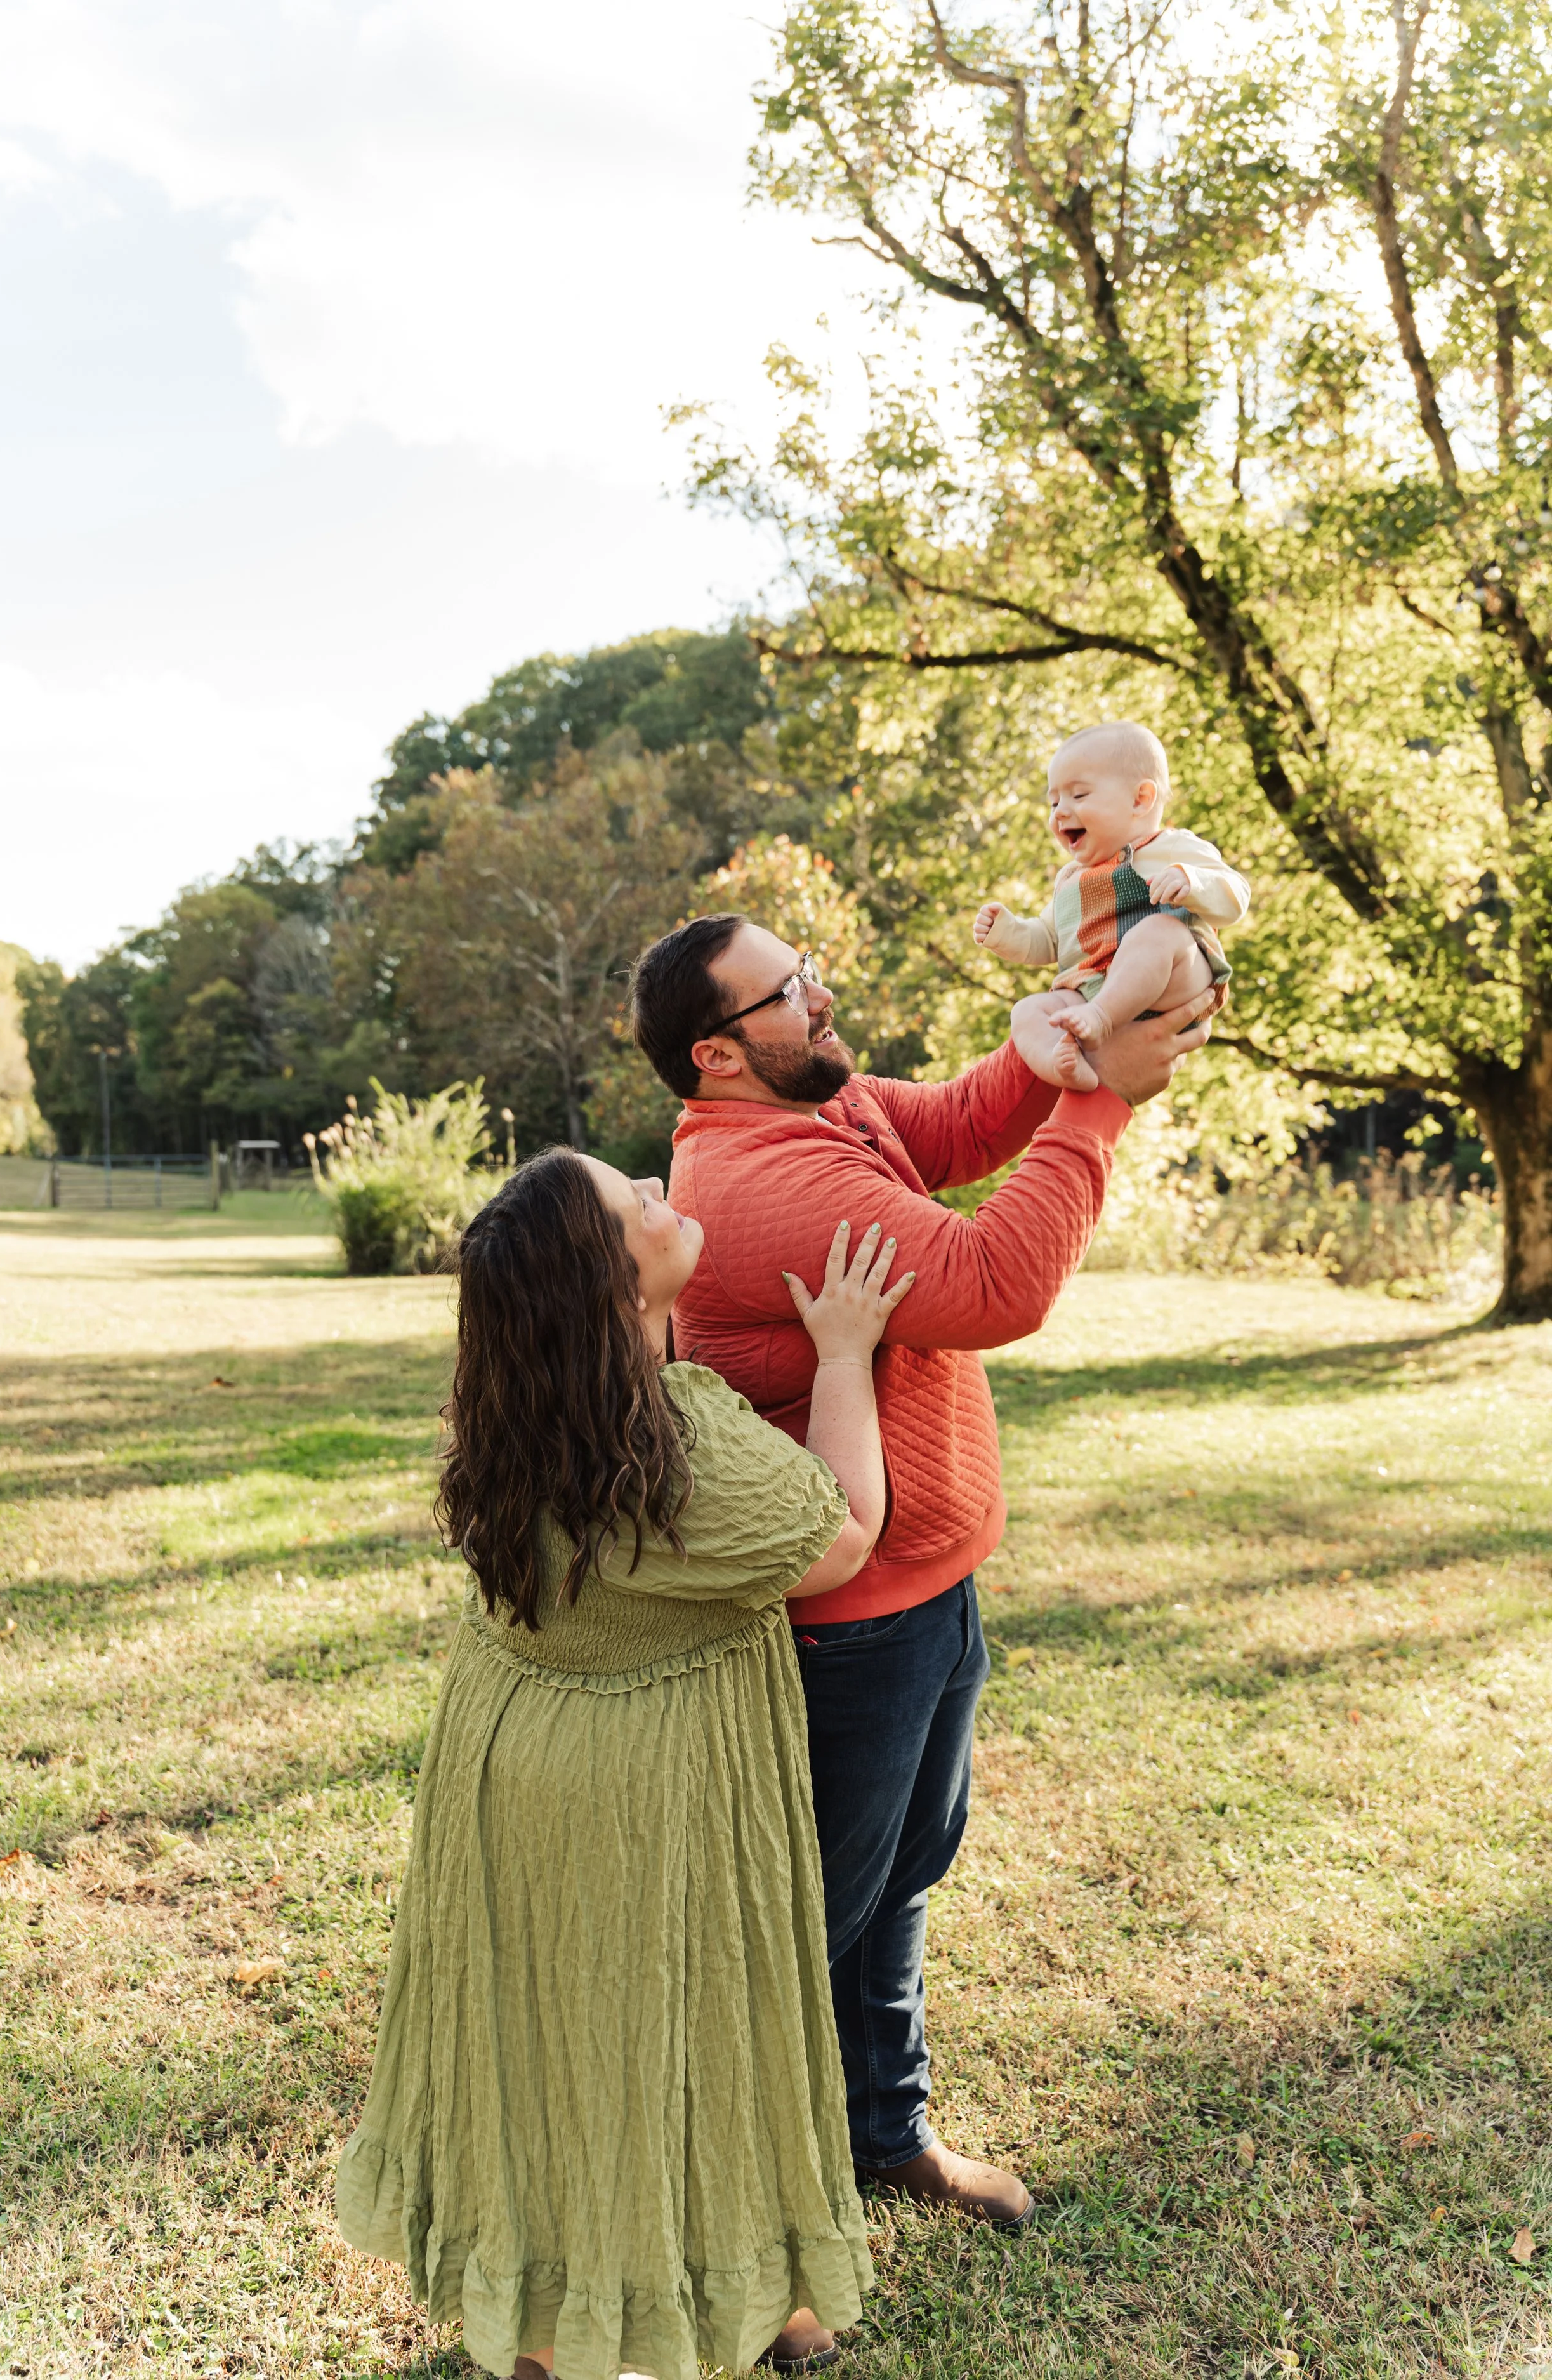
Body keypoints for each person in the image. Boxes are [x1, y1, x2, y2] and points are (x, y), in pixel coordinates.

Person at [629, 913, 1214, 2229]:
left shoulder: (823, 1114)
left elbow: (955, 1121)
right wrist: (1098, 1108)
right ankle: (728, 2212)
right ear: (716, 1055)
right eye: (788, 990)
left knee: (898, 1882)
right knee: (797, 1929)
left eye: (808, 967)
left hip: (926, 1595)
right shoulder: (762, 1184)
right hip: (842, 1629)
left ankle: (882, 2136)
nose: (822, 994)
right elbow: (995, 1280)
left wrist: (1064, 1048)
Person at [336, 1147, 917, 2380]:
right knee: (690, 2026)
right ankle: (702, 2308)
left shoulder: (514, 1416)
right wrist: (843, 1354)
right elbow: (846, 1533)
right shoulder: (679, 1452)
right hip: (641, 1785)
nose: (665, 1198)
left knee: (550, 2042)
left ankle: (596, 2320)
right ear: (608, 1290)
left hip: (506, 1767)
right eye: (634, 1204)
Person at [975, 719, 1250, 1092]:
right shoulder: (1071, 880)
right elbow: (1048, 940)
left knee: (1159, 932)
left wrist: (1192, 880)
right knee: (1026, 1012)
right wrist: (1007, 933)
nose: (1059, 812)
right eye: (1054, 801)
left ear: (1140, 800)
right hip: (1093, 991)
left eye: (1079, 796)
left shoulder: (1170, 847)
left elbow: (1236, 894)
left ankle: (1100, 1020)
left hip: (1174, 981)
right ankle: (1065, 1068)